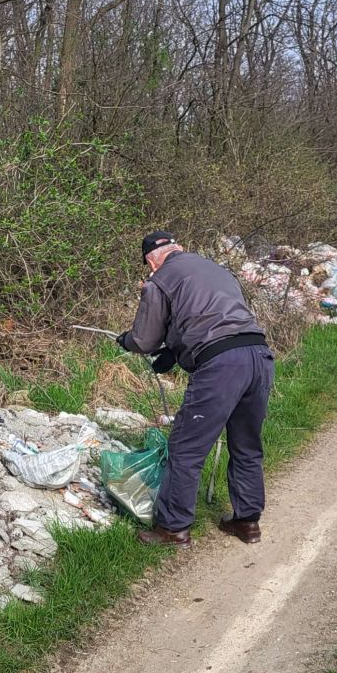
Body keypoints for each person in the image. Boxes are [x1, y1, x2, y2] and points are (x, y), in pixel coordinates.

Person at [117, 231, 274, 549]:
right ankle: (247, 522)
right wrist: (175, 351)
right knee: (246, 445)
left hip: (222, 365)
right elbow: (213, 318)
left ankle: (173, 529)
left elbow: (145, 339)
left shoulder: (159, 280)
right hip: (259, 356)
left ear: (150, 261)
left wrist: (127, 341)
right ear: (179, 248)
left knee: (186, 448)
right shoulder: (215, 269)